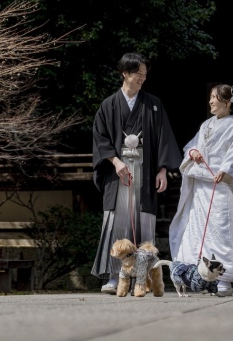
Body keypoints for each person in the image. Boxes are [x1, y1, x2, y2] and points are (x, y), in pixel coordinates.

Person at [91, 52, 181, 294]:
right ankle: (113, 277)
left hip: (146, 170)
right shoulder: (109, 105)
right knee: (116, 224)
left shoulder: (153, 104)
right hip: (117, 171)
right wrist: (115, 161)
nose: (142, 78)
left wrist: (162, 169)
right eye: (138, 73)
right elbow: (100, 137)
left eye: (145, 74)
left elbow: (163, 138)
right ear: (125, 73)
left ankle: (145, 279)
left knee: (144, 225)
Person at [167, 84, 233, 297]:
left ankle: (224, 280)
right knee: (197, 230)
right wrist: (193, 153)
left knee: (221, 230)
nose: (210, 101)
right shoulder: (206, 125)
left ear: (227, 102)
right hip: (201, 186)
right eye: (210, 97)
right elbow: (191, 146)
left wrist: (226, 170)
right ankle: (201, 276)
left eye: (214, 97)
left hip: (221, 186)